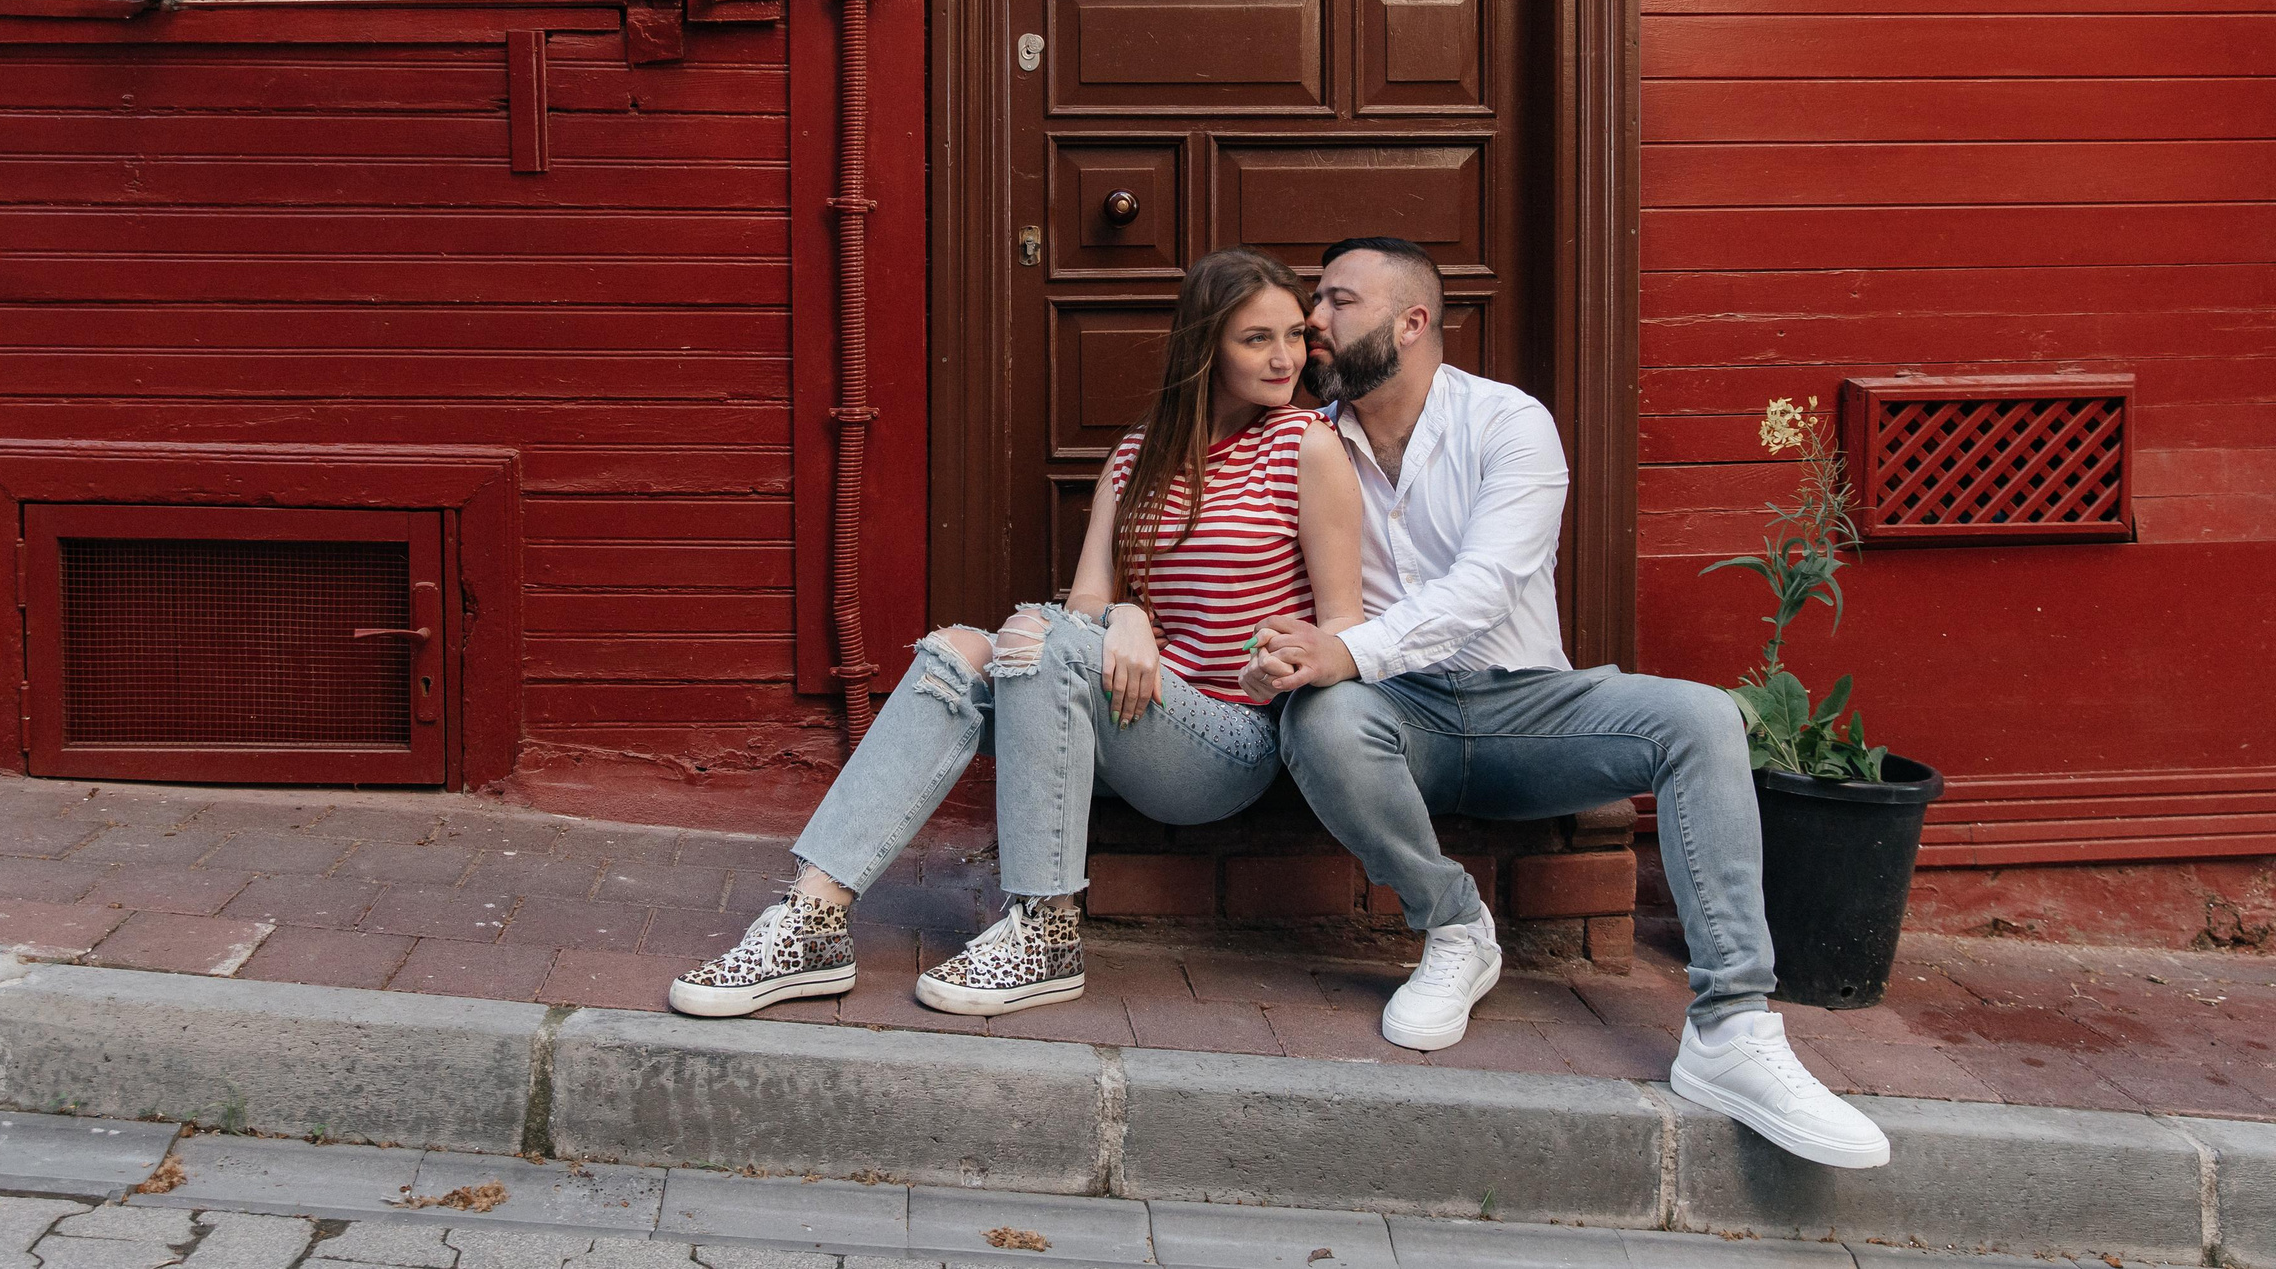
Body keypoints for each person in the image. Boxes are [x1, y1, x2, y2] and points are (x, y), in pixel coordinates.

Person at [1243, 236, 1892, 1170]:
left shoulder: (1508, 422)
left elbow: (1486, 585)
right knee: (1321, 719)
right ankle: (1455, 926)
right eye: (1316, 301)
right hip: (1397, 716)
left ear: (1412, 322)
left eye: (1338, 300)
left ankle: (1733, 1027)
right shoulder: (1304, 439)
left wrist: (1344, 648)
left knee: (1704, 717)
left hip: (1531, 711)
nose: (1313, 320)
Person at [671, 245, 1365, 1020]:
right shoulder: (1138, 455)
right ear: (1205, 345)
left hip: (1231, 737)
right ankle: (814, 918)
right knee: (959, 650)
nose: (1285, 358)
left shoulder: (1305, 445)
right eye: (1256, 338)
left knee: (1040, 633)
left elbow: (1344, 621)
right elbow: (1091, 598)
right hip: (1129, 715)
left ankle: (1045, 931)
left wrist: (1287, 664)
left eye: (1293, 335)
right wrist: (1128, 614)